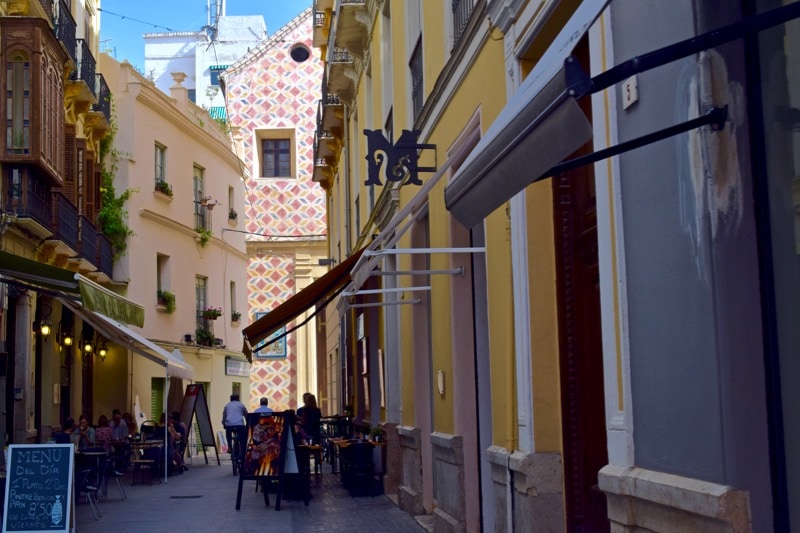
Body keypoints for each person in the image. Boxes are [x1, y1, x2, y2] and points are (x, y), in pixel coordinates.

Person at [222, 394, 248, 465]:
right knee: (242, 439)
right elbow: (246, 414)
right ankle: (242, 450)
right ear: (238, 399)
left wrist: (224, 423)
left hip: (229, 425)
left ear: (230, 399)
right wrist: (247, 422)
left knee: (228, 433)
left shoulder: (227, 406)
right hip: (240, 425)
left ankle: (230, 447)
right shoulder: (241, 405)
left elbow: (224, 416)